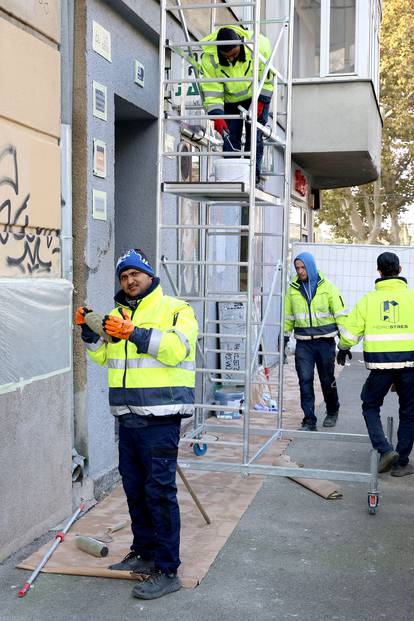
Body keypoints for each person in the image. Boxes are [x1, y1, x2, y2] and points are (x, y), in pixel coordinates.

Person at [75, 249, 198, 599]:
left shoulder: (176, 309)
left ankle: (167, 569)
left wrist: (135, 333)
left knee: (159, 494)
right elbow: (105, 356)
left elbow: (177, 349)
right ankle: (145, 553)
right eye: (124, 276)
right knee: (135, 489)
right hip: (127, 418)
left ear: (148, 274)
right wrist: (89, 332)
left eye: (135, 274)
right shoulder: (115, 314)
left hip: (160, 418)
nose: (130, 280)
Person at [337, 252, 414, 476]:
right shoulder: (412, 298)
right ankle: (401, 464)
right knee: (409, 412)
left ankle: (385, 449)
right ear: (400, 270)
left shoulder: (368, 301)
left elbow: (350, 334)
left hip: (380, 367)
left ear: (379, 272)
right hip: (410, 365)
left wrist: (343, 347)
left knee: (370, 405)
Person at [199, 25, 274, 188]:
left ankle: (252, 177)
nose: (231, 59)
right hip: (230, 99)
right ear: (219, 51)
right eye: (227, 57)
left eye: (234, 54)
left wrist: (262, 101)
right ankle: (232, 178)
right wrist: (217, 116)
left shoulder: (259, 46)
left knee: (254, 136)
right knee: (229, 136)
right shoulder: (209, 59)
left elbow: (268, 77)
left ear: (240, 44)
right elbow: (212, 91)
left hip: (255, 96)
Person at [284, 252, 347, 431]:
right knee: (305, 380)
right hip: (304, 344)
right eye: (297, 268)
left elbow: (341, 315)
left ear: (310, 266)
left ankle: (333, 410)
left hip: (325, 342)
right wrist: (284, 338)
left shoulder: (328, 288)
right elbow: (288, 317)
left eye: (303, 267)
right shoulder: (293, 289)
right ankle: (309, 420)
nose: (300, 271)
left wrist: (344, 344)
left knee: (327, 380)